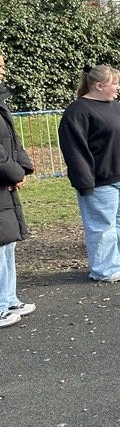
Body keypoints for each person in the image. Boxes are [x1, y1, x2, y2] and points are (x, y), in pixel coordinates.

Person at [58, 65, 120, 282]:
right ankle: (104, 268)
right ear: (99, 86)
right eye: (114, 83)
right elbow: (74, 148)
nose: (118, 88)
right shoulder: (78, 111)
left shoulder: (115, 106)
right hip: (101, 179)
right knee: (102, 225)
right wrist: (84, 180)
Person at [0, 51, 35, 328]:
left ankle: (8, 297)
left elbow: (12, 140)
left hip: (6, 184)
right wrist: (14, 172)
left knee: (7, 243)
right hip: (3, 179)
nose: (3, 71)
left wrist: (23, 168)